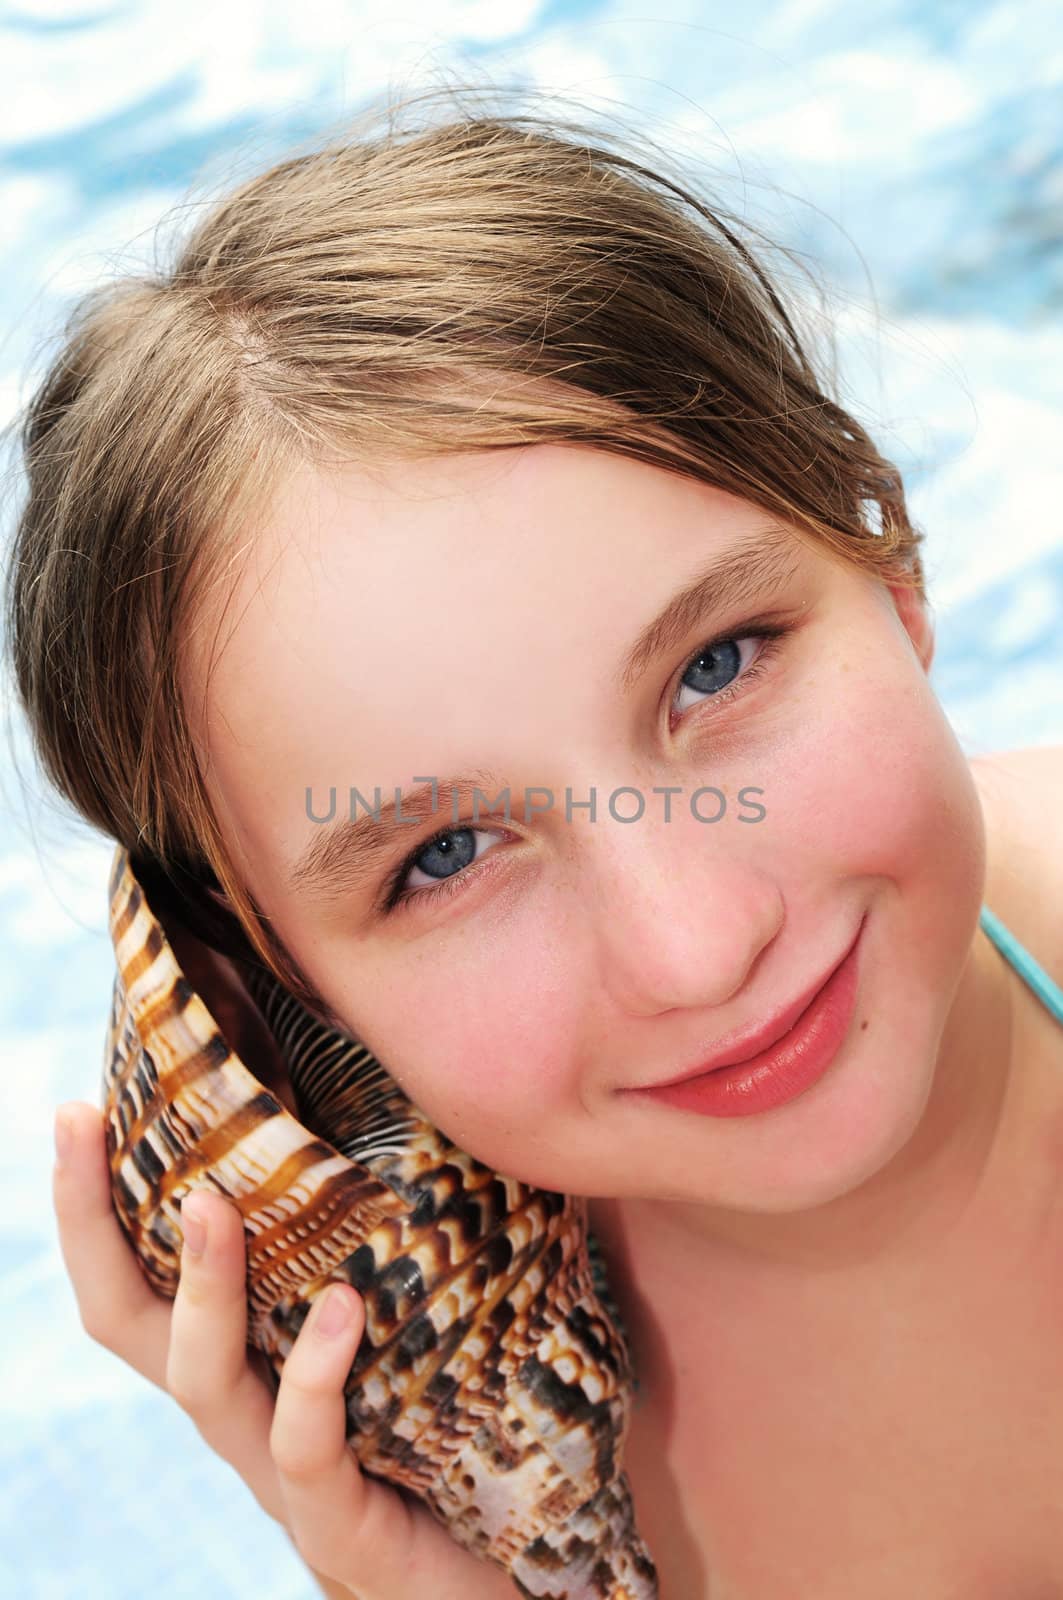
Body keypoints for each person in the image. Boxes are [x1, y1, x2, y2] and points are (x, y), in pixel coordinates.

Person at [7, 82, 1063, 1600]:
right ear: (283, 994)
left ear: (888, 560)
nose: (698, 946)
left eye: (719, 665)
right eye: (444, 858)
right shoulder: (502, 1460)